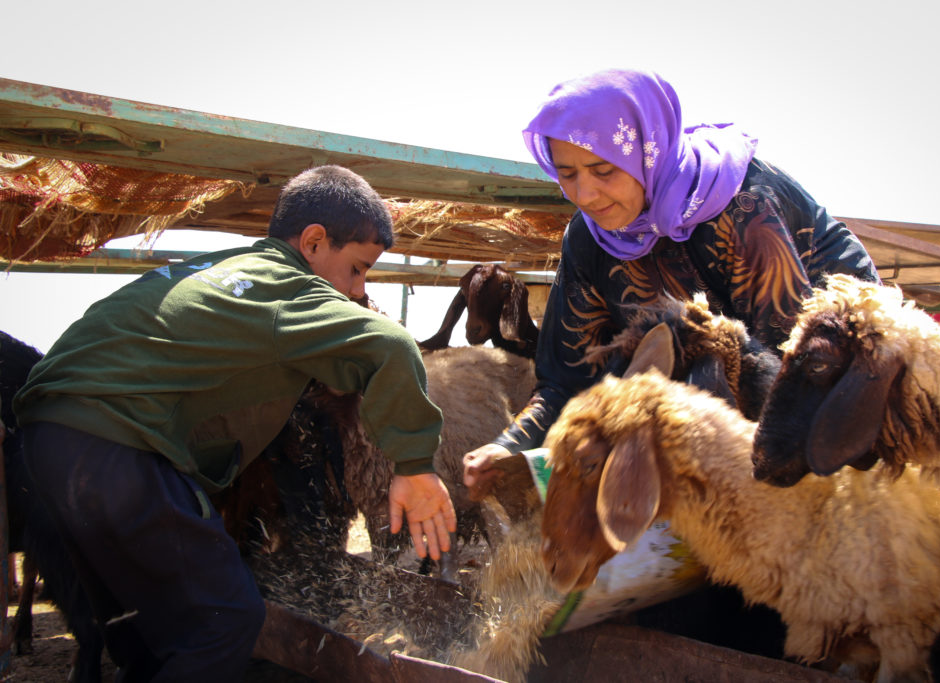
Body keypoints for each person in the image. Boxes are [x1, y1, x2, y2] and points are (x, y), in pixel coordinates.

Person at [13, 164, 457, 681]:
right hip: (114, 443)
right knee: (225, 625)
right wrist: (416, 466)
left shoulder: (221, 270)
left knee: (144, 632)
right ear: (313, 243)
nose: (359, 291)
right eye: (358, 269)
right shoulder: (287, 286)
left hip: (47, 439)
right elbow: (392, 345)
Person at [463, 68, 880, 498]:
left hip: (829, 378)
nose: (584, 195)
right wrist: (508, 447)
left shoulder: (743, 209)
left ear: (647, 152)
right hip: (713, 402)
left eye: (603, 169)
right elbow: (566, 379)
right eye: (567, 174)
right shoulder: (590, 237)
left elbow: (790, 378)